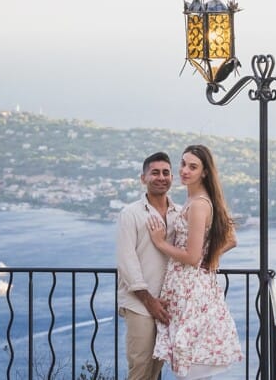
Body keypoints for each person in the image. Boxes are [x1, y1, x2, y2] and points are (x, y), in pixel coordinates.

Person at [147, 144, 243, 379]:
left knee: (190, 362)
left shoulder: (199, 204)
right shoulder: (197, 200)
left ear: (205, 172)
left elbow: (191, 256)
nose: (184, 171)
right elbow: (231, 240)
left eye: (193, 167)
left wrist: (161, 243)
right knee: (192, 361)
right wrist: (212, 257)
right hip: (190, 287)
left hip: (191, 292)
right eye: (183, 164)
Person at [117, 151, 178, 380]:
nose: (161, 177)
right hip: (139, 303)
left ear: (172, 177)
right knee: (140, 367)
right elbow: (127, 260)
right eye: (155, 173)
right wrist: (148, 300)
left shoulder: (180, 214)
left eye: (165, 172)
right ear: (143, 178)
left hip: (166, 304)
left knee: (155, 369)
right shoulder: (130, 214)